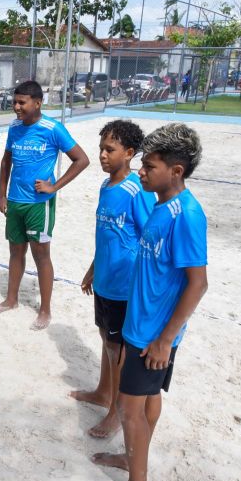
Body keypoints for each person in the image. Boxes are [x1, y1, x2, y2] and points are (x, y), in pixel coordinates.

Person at [90, 123, 208, 481]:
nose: (142, 171)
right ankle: (132, 456)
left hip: (154, 334)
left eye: (150, 166)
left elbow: (197, 284)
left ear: (175, 171)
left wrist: (163, 339)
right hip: (139, 324)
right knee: (146, 401)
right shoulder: (160, 205)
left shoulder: (187, 215)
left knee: (129, 408)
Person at [71, 120, 156, 439]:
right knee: (106, 341)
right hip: (104, 280)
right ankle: (102, 393)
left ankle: (115, 414)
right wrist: (92, 269)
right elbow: (106, 235)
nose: (103, 156)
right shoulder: (105, 187)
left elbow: (149, 239)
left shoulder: (137, 190)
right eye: (101, 149)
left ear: (130, 153)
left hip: (124, 287)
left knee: (119, 352)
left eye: (111, 150)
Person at [0, 80, 90, 329]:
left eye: (22, 102)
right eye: (15, 102)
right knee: (15, 251)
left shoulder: (52, 128)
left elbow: (81, 160)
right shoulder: (14, 128)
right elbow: (6, 162)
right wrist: (2, 195)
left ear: (37, 103)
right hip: (15, 201)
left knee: (41, 255)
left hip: (38, 204)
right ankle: (11, 300)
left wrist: (54, 186)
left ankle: (45, 310)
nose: (16, 107)